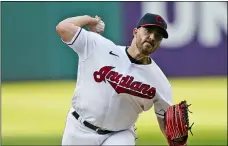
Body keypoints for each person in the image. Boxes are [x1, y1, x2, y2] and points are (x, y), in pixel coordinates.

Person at [56, 13, 172, 145]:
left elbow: (168, 126)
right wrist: (90, 20)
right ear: (135, 32)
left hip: (120, 135)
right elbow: (63, 27)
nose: (152, 37)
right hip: (78, 128)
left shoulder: (160, 82)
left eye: (158, 36)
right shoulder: (98, 47)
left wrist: (178, 140)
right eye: (148, 31)